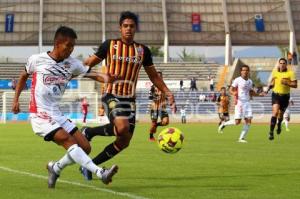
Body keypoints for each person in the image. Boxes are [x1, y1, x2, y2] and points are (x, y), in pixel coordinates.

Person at [11, 26, 119, 188]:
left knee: (85, 147)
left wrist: (108, 78)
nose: (70, 49)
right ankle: (100, 172)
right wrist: (15, 100)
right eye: (68, 45)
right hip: (39, 114)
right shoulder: (37, 59)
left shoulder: (73, 64)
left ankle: (55, 167)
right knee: (68, 141)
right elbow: (23, 75)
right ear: (57, 43)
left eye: (73, 46)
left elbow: (93, 75)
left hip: (57, 113)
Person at [79, 11, 177, 180]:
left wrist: (167, 92)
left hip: (130, 99)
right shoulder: (109, 45)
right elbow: (84, 67)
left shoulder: (143, 51)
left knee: (124, 141)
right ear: (120, 28)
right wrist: (101, 76)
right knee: (122, 127)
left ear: (135, 28)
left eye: (131, 26)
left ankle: (89, 162)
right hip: (111, 94)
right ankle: (89, 134)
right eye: (125, 26)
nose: (128, 29)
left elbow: (154, 76)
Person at [218, 65, 266, 142]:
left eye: (247, 70)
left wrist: (259, 95)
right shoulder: (237, 80)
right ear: (241, 72)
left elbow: (251, 92)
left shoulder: (250, 81)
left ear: (248, 71)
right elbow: (230, 89)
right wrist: (234, 93)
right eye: (243, 70)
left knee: (249, 120)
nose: (245, 71)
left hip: (247, 103)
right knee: (237, 122)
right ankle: (224, 124)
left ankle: (241, 138)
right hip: (239, 103)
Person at [267, 58, 297, 140]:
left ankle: (279, 124)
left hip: (285, 97)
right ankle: (271, 132)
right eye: (281, 63)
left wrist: (287, 83)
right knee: (275, 112)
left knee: (280, 116)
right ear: (279, 64)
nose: (282, 64)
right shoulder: (274, 72)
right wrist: (268, 88)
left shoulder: (290, 73)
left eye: (284, 63)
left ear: (286, 64)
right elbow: (272, 83)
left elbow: (295, 85)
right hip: (276, 95)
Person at [148, 71, 169, 141]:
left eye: (160, 76)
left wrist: (167, 99)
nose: (159, 77)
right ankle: (151, 137)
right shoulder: (153, 87)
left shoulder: (164, 86)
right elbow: (150, 97)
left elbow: (166, 95)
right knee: (153, 123)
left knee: (166, 122)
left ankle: (156, 125)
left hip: (162, 108)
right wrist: (155, 96)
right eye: (158, 76)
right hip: (154, 108)